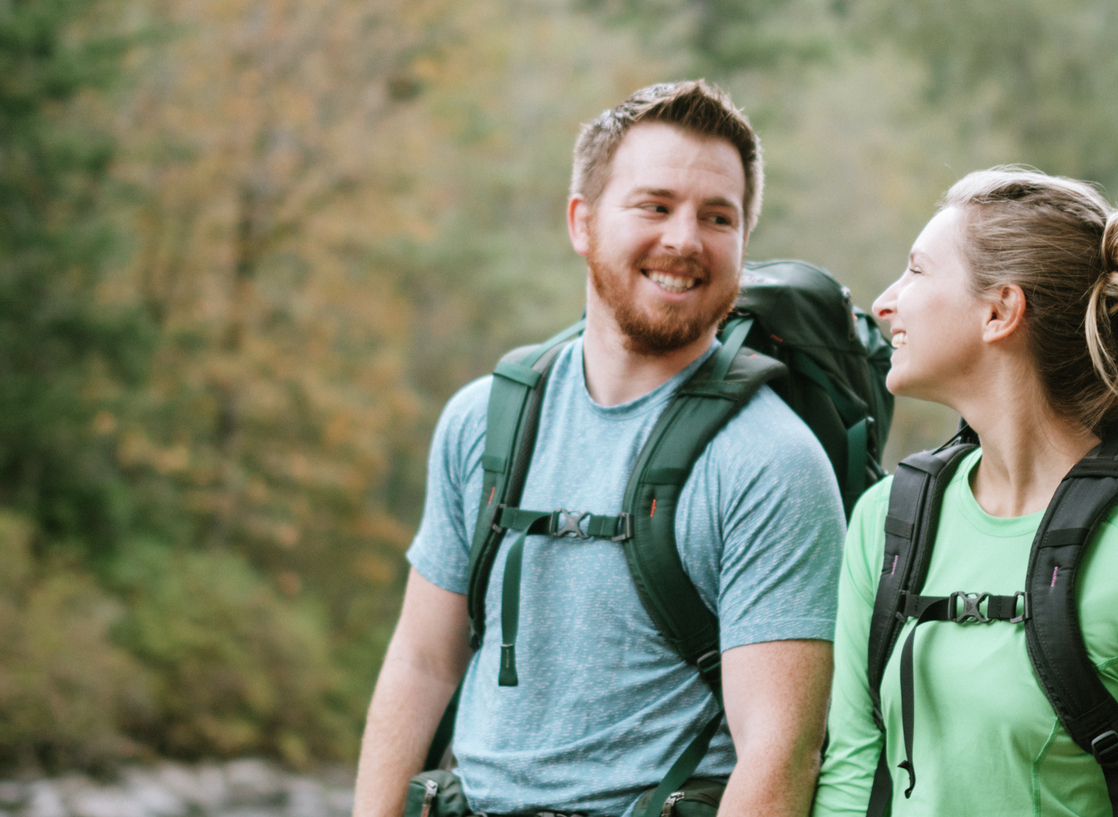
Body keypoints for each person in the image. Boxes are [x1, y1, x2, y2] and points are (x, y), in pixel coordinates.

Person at [351, 80, 841, 817]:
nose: (684, 239)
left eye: (718, 216)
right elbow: (422, 665)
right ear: (582, 221)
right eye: (654, 205)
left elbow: (782, 752)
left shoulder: (771, 462)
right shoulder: (483, 421)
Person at [813, 168, 1118, 817]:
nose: (886, 303)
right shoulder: (885, 523)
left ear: (999, 310)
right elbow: (852, 774)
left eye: (916, 271)